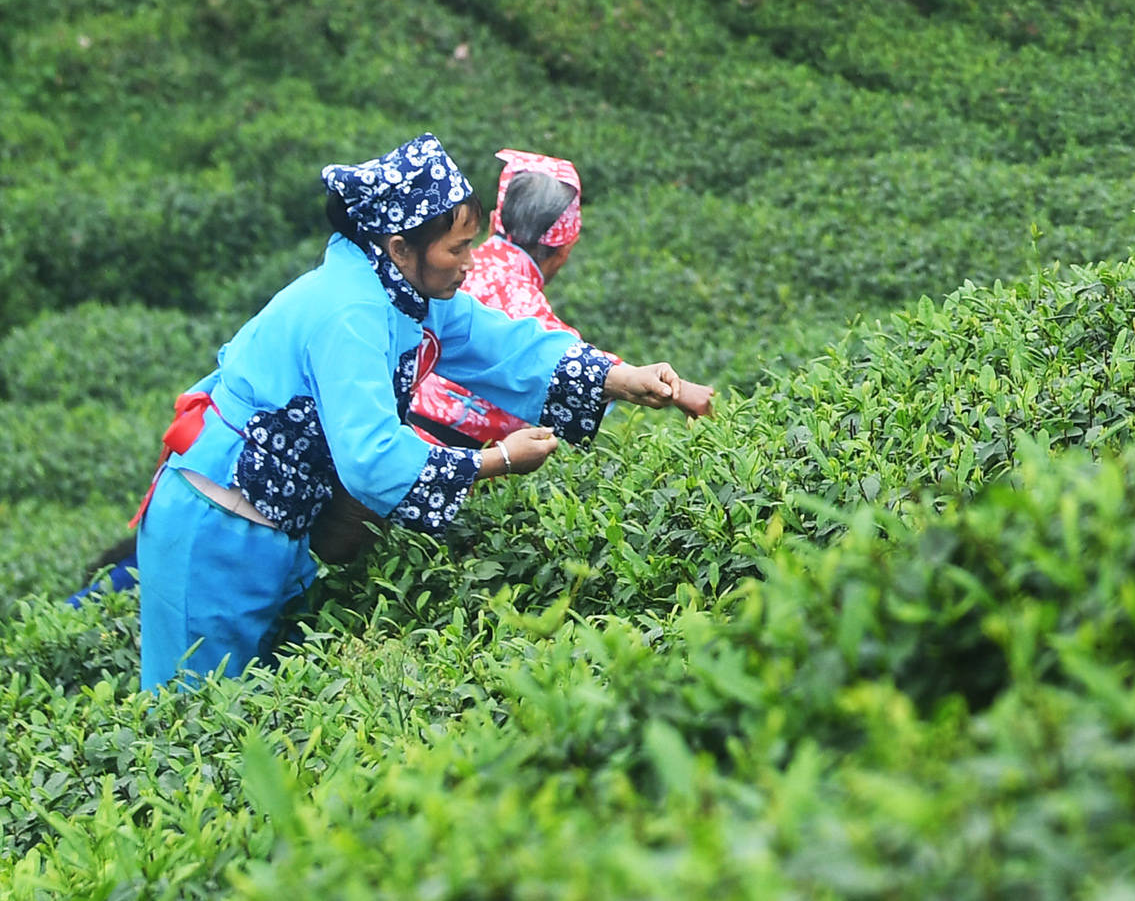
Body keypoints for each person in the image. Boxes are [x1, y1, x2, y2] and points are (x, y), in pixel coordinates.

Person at [133, 136, 714, 691]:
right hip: (218, 527)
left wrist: (623, 379)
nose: (470, 262)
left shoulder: (405, 294)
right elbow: (373, 458)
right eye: (457, 248)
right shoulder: (351, 312)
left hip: (277, 526)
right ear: (400, 247)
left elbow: (505, 347)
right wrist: (497, 461)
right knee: (192, 716)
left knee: (250, 710)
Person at [410, 147, 585, 449]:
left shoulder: (433, 275)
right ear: (567, 247)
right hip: (468, 473)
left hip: (392, 437)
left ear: (493, 222)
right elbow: (590, 391)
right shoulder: (553, 334)